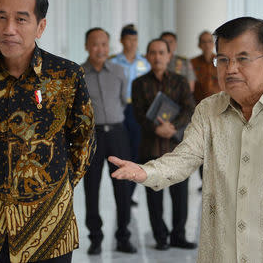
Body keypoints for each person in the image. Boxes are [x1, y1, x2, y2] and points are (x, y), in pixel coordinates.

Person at [110, 17, 263, 262]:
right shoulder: (208, 111)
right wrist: (145, 172)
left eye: (242, 59)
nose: (230, 69)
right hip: (221, 253)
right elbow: (184, 157)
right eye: (223, 60)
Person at [0, 0, 95, 263]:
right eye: (0, 17)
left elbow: (84, 141)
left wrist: (54, 189)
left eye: (21, 19)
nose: (8, 29)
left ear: (41, 26)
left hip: (48, 230)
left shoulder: (66, 76)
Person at [131, 38, 196, 251]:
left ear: (169, 56)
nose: (157, 57)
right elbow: (138, 114)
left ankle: (179, 235)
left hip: (177, 148)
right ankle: (161, 237)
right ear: (147, 56)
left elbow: (189, 109)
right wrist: (156, 128)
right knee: (154, 196)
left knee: (180, 196)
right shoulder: (139, 83)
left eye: (161, 53)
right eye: (153, 52)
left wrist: (172, 127)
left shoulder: (180, 81)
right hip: (151, 147)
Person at [81, 27, 136, 255]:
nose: (100, 49)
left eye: (104, 44)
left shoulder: (119, 72)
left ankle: (123, 235)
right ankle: (95, 237)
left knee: (123, 187)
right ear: (87, 46)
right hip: (91, 136)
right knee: (91, 188)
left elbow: (123, 102)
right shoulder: (78, 73)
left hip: (116, 133)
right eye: (95, 44)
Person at [109, 24, 151, 205]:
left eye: (135, 40)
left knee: (136, 150)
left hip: (137, 111)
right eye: (129, 39)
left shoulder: (144, 63)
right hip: (118, 109)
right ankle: (122, 192)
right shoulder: (113, 63)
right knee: (120, 150)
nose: (132, 43)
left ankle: (129, 193)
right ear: (121, 40)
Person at [189, 30, 221, 190]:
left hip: (219, 110)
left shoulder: (221, 61)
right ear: (199, 45)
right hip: (199, 111)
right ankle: (205, 181)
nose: (207, 45)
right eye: (204, 42)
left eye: (210, 41)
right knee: (202, 147)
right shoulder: (192, 63)